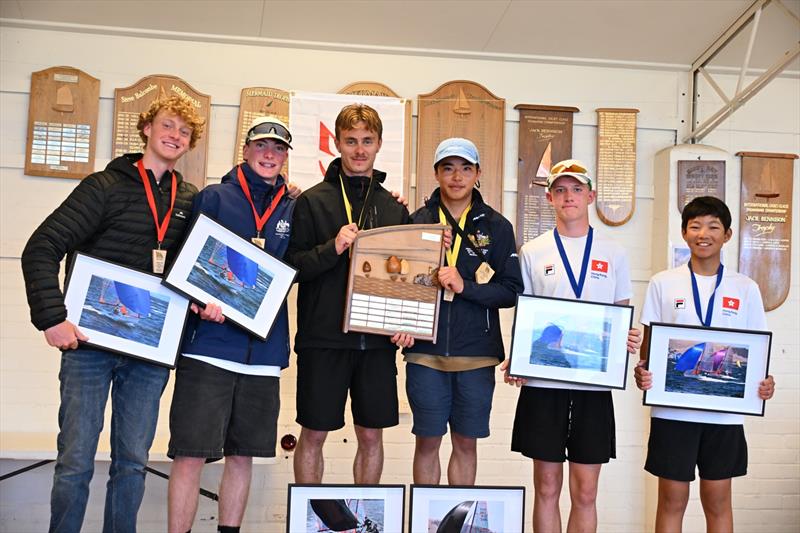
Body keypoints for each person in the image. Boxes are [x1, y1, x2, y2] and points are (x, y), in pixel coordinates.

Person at [20, 95, 204, 532]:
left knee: (133, 464)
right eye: (167, 125)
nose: (175, 135)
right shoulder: (103, 186)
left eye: (184, 131)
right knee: (75, 460)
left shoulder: (188, 198)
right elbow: (41, 247)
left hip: (148, 355)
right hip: (89, 347)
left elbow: (190, 269)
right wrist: (52, 317)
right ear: (147, 128)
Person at [166, 117, 296, 533]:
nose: (269, 154)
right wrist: (197, 300)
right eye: (261, 146)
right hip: (209, 347)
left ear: (285, 157)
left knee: (242, 455)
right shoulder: (215, 197)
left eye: (278, 148)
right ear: (245, 150)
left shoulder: (294, 206)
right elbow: (184, 261)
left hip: (264, 354)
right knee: (190, 455)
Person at [502, 159, 641, 532]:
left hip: (593, 385)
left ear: (591, 196)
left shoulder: (614, 252)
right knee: (546, 487)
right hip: (544, 384)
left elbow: (620, 314)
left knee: (586, 492)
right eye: (560, 190)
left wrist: (629, 336)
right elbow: (526, 314)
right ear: (549, 197)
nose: (569, 197)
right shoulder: (533, 251)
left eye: (577, 189)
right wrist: (519, 356)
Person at [634, 196, 775, 533]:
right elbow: (649, 346)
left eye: (713, 226)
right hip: (672, 413)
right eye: (695, 226)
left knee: (717, 501)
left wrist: (765, 382)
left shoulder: (746, 288)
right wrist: (642, 371)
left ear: (727, 235)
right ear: (685, 233)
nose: (703, 234)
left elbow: (758, 351)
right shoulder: (663, 282)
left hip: (725, 415)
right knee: (671, 500)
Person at [286, 103, 410, 484]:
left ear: (379, 144)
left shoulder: (393, 208)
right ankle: (308, 514)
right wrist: (333, 248)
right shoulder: (312, 201)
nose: (359, 149)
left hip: (375, 343)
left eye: (367, 141)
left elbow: (406, 277)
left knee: (371, 436)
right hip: (323, 339)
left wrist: (406, 322)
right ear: (337, 143)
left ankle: (366, 511)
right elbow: (293, 267)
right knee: (314, 434)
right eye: (351, 140)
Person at [403, 138, 523, 485]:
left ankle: (457, 512)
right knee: (427, 442)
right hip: (425, 352)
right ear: (436, 173)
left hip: (476, 354)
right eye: (448, 168)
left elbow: (510, 292)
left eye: (465, 168)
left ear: (478, 173)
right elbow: (400, 282)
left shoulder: (497, 227)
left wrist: (464, 286)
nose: (457, 177)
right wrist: (400, 323)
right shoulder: (417, 221)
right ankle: (426, 514)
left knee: (466, 444)